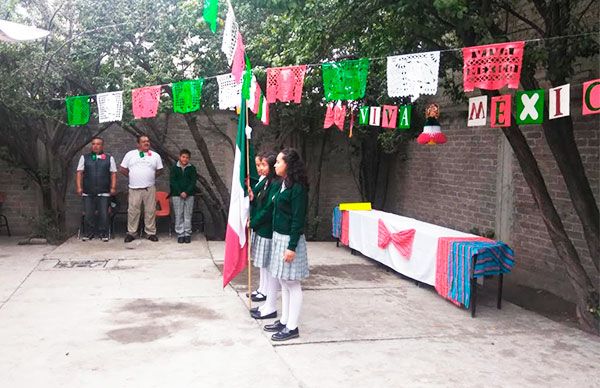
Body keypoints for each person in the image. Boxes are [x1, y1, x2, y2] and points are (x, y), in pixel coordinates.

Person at [262, 148, 309, 341]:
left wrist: (291, 247)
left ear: (288, 165)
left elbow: (298, 219)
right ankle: (284, 320)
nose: (275, 164)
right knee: (283, 280)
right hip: (279, 237)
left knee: (292, 283)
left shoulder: (297, 188)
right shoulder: (283, 184)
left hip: (290, 240)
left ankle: (292, 327)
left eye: (279, 162)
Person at [248, 151, 280, 314]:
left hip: (267, 227)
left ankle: (267, 291)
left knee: (267, 263)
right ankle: (263, 288)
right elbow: (255, 193)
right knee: (262, 262)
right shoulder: (267, 181)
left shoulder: (275, 183)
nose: (260, 168)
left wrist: (254, 221)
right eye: (258, 165)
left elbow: (268, 209)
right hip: (260, 226)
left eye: (263, 164)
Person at [119, 135, 163, 243]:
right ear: (138, 144)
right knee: (133, 211)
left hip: (149, 188)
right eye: (143, 142)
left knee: (150, 211)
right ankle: (132, 233)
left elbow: (160, 170)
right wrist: (133, 176)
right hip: (134, 188)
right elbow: (122, 169)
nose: (146, 143)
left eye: (147, 141)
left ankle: (150, 232)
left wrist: (150, 177)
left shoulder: (155, 156)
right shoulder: (130, 154)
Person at [75, 136, 117, 242]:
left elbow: (113, 174)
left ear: (102, 146)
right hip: (88, 191)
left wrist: (113, 187)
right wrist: (79, 187)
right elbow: (79, 173)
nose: (95, 146)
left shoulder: (109, 158)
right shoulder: (84, 158)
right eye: (93, 144)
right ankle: (89, 233)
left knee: (104, 214)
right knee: (89, 214)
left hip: (104, 191)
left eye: (98, 144)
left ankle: (103, 233)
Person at [170, 149, 197, 243]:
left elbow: (193, 182)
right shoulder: (174, 168)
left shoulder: (192, 168)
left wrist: (187, 192)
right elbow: (173, 181)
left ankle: (187, 233)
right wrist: (180, 192)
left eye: (187, 158)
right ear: (180, 157)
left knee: (188, 214)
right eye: (183, 157)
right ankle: (180, 234)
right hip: (177, 195)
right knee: (178, 214)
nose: (185, 159)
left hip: (189, 195)